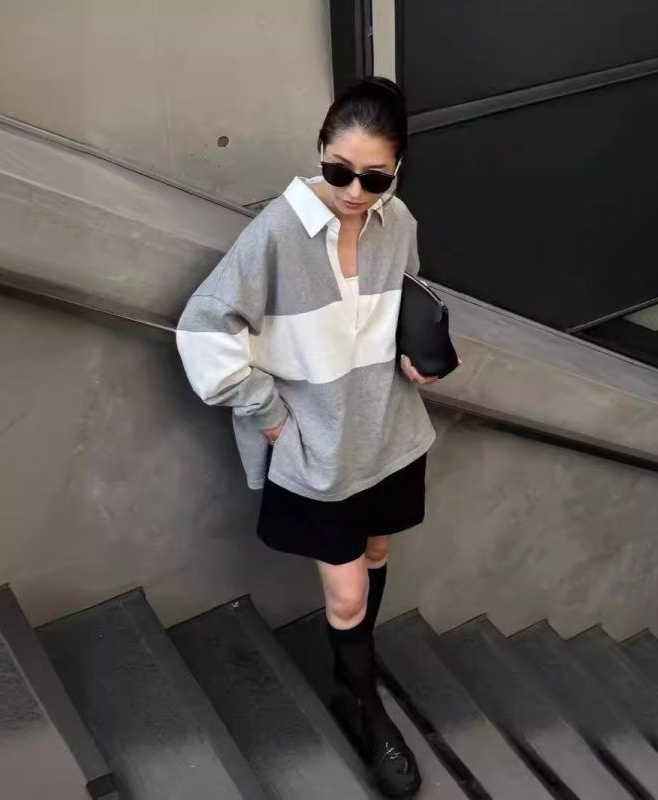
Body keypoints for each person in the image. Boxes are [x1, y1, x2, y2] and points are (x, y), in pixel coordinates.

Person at [177, 77, 452, 798]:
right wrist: (268, 414)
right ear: (320, 150)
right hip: (319, 448)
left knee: (379, 551)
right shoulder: (276, 232)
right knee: (348, 595)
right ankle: (362, 702)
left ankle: (355, 670)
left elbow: (402, 298)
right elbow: (204, 330)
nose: (355, 191)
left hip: (388, 432)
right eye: (339, 170)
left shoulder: (400, 222)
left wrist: (410, 351)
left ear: (397, 169)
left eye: (375, 177)